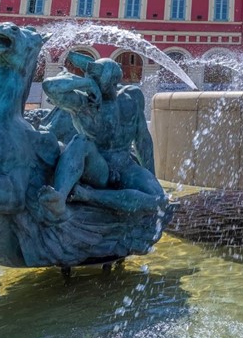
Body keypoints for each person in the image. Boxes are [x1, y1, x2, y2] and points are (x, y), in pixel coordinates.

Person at [38, 52, 165, 220]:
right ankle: (59, 198)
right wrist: (84, 83)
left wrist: (151, 176)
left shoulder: (133, 96)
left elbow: (142, 139)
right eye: (92, 79)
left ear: (114, 81)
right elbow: (49, 86)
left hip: (126, 165)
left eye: (98, 79)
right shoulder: (85, 103)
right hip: (98, 166)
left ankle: (89, 195)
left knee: (158, 200)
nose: (96, 84)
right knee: (80, 141)